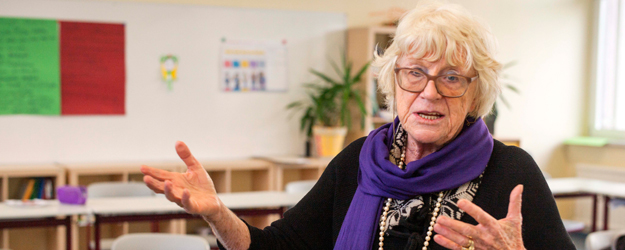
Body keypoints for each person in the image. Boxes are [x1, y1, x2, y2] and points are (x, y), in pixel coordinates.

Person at [141, 2, 576, 250]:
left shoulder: (512, 174)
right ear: (393, 82)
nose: (429, 92)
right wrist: (219, 215)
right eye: (414, 73)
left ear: (475, 93)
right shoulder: (360, 161)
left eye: (451, 77)